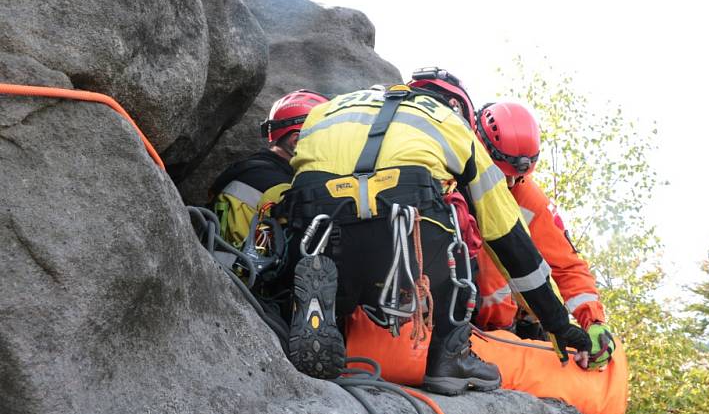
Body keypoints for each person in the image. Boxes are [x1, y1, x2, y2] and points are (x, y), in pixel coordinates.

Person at [282, 67, 591, 394]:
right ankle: (449, 355)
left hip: (317, 228)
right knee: (458, 218)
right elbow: (506, 236)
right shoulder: (450, 124)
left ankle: (326, 313)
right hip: (399, 235)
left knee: (320, 225)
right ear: (460, 109)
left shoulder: (329, 108)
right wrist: (558, 324)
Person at [473, 99, 615, 369]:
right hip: (447, 313)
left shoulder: (528, 199)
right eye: (505, 175)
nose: (511, 183)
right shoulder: (449, 173)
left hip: (505, 331)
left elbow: (567, 265)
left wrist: (593, 321)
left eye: (518, 177)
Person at [208, 90, 327, 258]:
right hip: (245, 280)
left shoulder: (245, 170)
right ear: (296, 141)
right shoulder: (282, 188)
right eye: (325, 140)